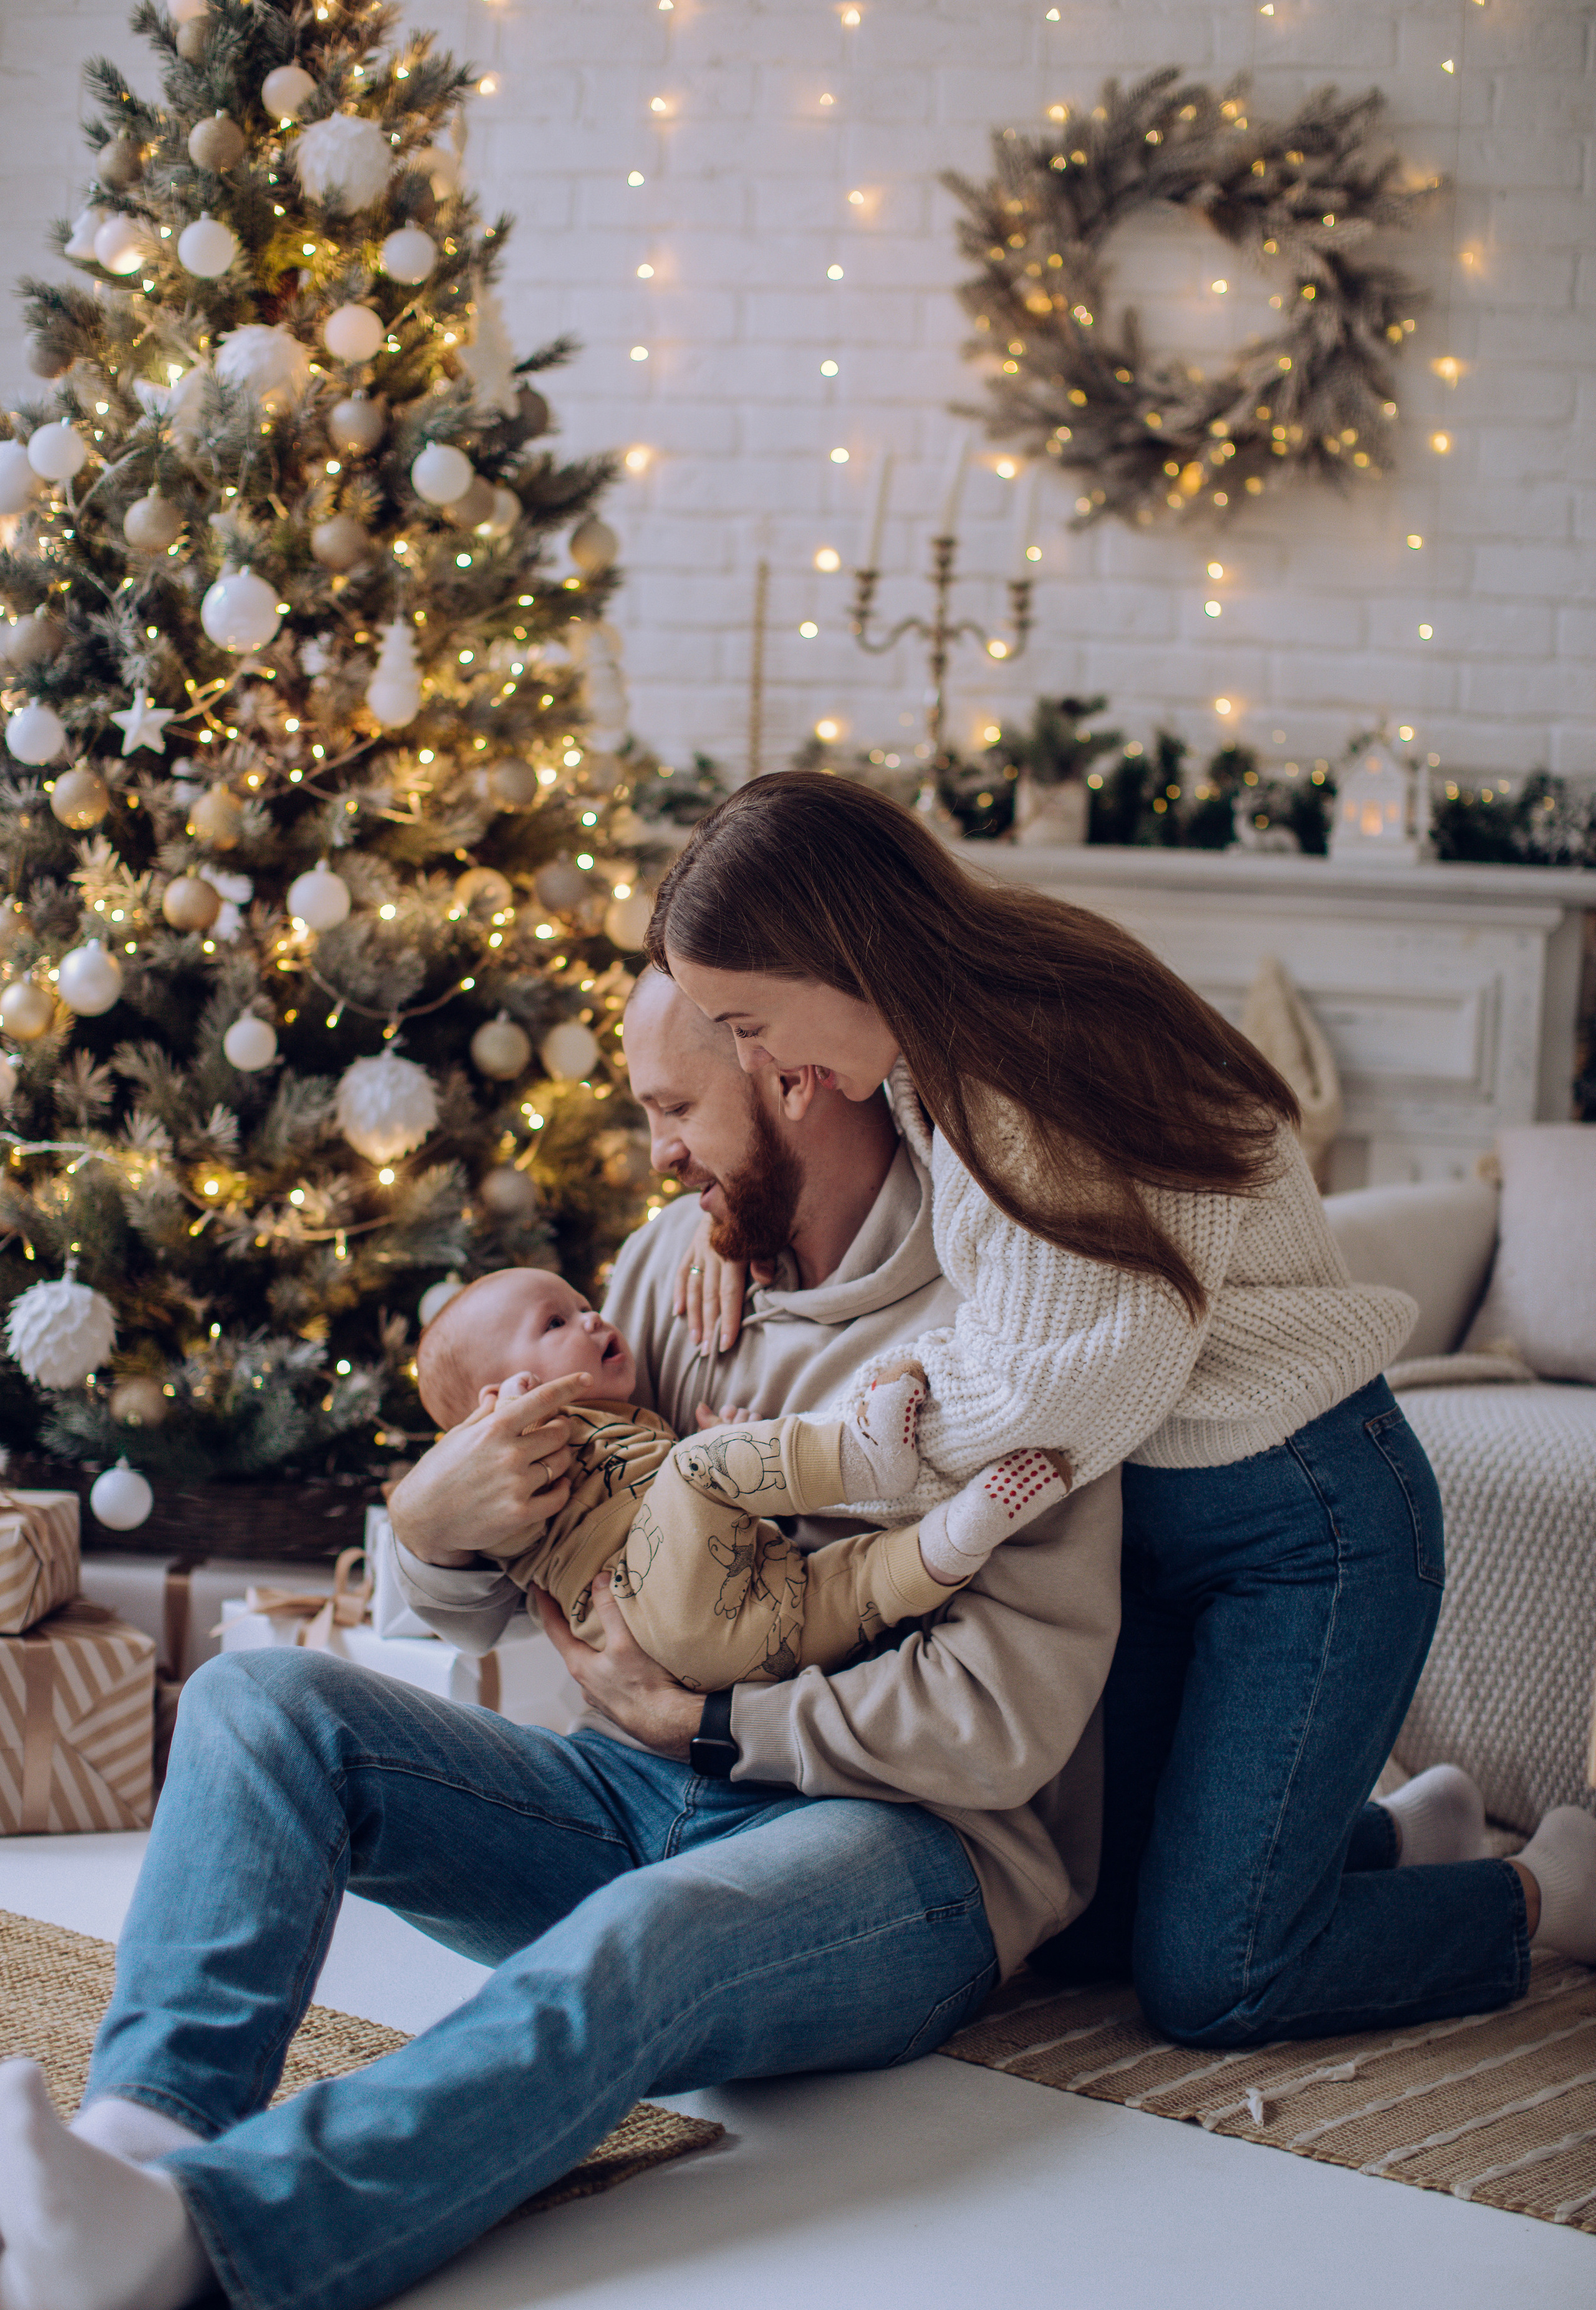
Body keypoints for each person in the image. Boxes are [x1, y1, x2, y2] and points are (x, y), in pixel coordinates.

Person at [0, 973, 1120, 2310]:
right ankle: (145, 2136)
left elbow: (1004, 1729)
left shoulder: (1012, 1325)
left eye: (672, 1108)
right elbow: (501, 1587)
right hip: (625, 1791)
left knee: (640, 1936)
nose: (654, 1152)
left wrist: (716, 1728)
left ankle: (204, 2238)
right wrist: (426, 1523)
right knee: (257, 1701)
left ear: (789, 1075)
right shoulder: (669, 1263)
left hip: (898, 1849)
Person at [650, 768, 1596, 2046]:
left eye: (746, 1021)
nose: (760, 1066)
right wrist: (728, 1219)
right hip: (1155, 1529)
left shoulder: (1036, 1053)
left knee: (1220, 1980)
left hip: (1303, 1527)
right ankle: (1393, 1837)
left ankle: (1541, 1894)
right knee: (1090, 1926)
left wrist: (821, 1455)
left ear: (837, 951)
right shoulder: (937, 1057)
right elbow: (968, 1268)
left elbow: (1066, 1381)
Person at [411, 1264, 1069, 1687]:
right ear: (503, 1401)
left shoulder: (628, 1422)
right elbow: (511, 1536)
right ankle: (865, 1458)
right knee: (699, 1467)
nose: (593, 1317)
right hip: (648, 1622)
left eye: (582, 1302)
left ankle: (949, 1541)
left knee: (838, 1589)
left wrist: (728, 1457)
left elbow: (664, 1513)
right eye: (555, 1322)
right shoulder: (532, 1452)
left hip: (733, 1649)